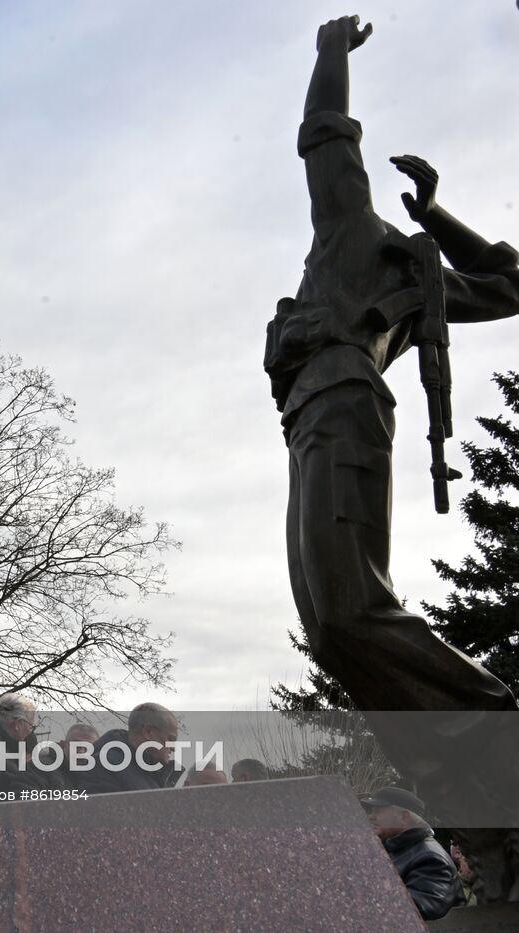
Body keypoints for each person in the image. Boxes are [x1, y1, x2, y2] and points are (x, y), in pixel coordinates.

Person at [266, 16, 519, 826]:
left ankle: (494, 727)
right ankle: (466, 794)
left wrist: (330, 55)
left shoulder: (359, 234)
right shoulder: (400, 274)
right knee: (331, 628)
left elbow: (326, 138)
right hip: (307, 419)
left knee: (349, 609)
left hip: (344, 404)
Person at [361, 786, 463, 921]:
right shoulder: (394, 851)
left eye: (378, 811)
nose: (371, 817)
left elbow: (414, 914)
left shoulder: (430, 859)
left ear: (404, 817)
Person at [74, 703, 178, 795]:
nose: (173, 748)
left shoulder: (149, 772)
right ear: (148, 732)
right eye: (171, 739)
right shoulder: (101, 767)